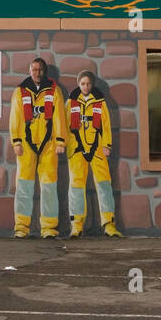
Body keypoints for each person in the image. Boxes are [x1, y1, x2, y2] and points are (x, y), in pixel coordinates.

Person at [9, 57, 67, 239]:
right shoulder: (20, 91)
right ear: (29, 70)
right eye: (34, 69)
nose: (37, 73)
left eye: (40, 69)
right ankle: (21, 227)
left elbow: (59, 117)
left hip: (49, 144)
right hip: (26, 145)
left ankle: (49, 228)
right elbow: (15, 117)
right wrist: (16, 142)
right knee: (24, 186)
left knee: (49, 186)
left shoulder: (54, 91)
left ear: (44, 71)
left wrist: (60, 142)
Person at [66, 71, 122, 238]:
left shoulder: (100, 103)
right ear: (78, 84)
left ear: (92, 85)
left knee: (104, 185)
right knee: (76, 187)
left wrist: (107, 146)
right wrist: (69, 147)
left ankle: (109, 224)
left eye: (88, 84)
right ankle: (76, 225)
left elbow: (105, 125)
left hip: (97, 149)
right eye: (82, 84)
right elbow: (67, 125)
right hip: (77, 150)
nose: (85, 87)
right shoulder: (71, 102)